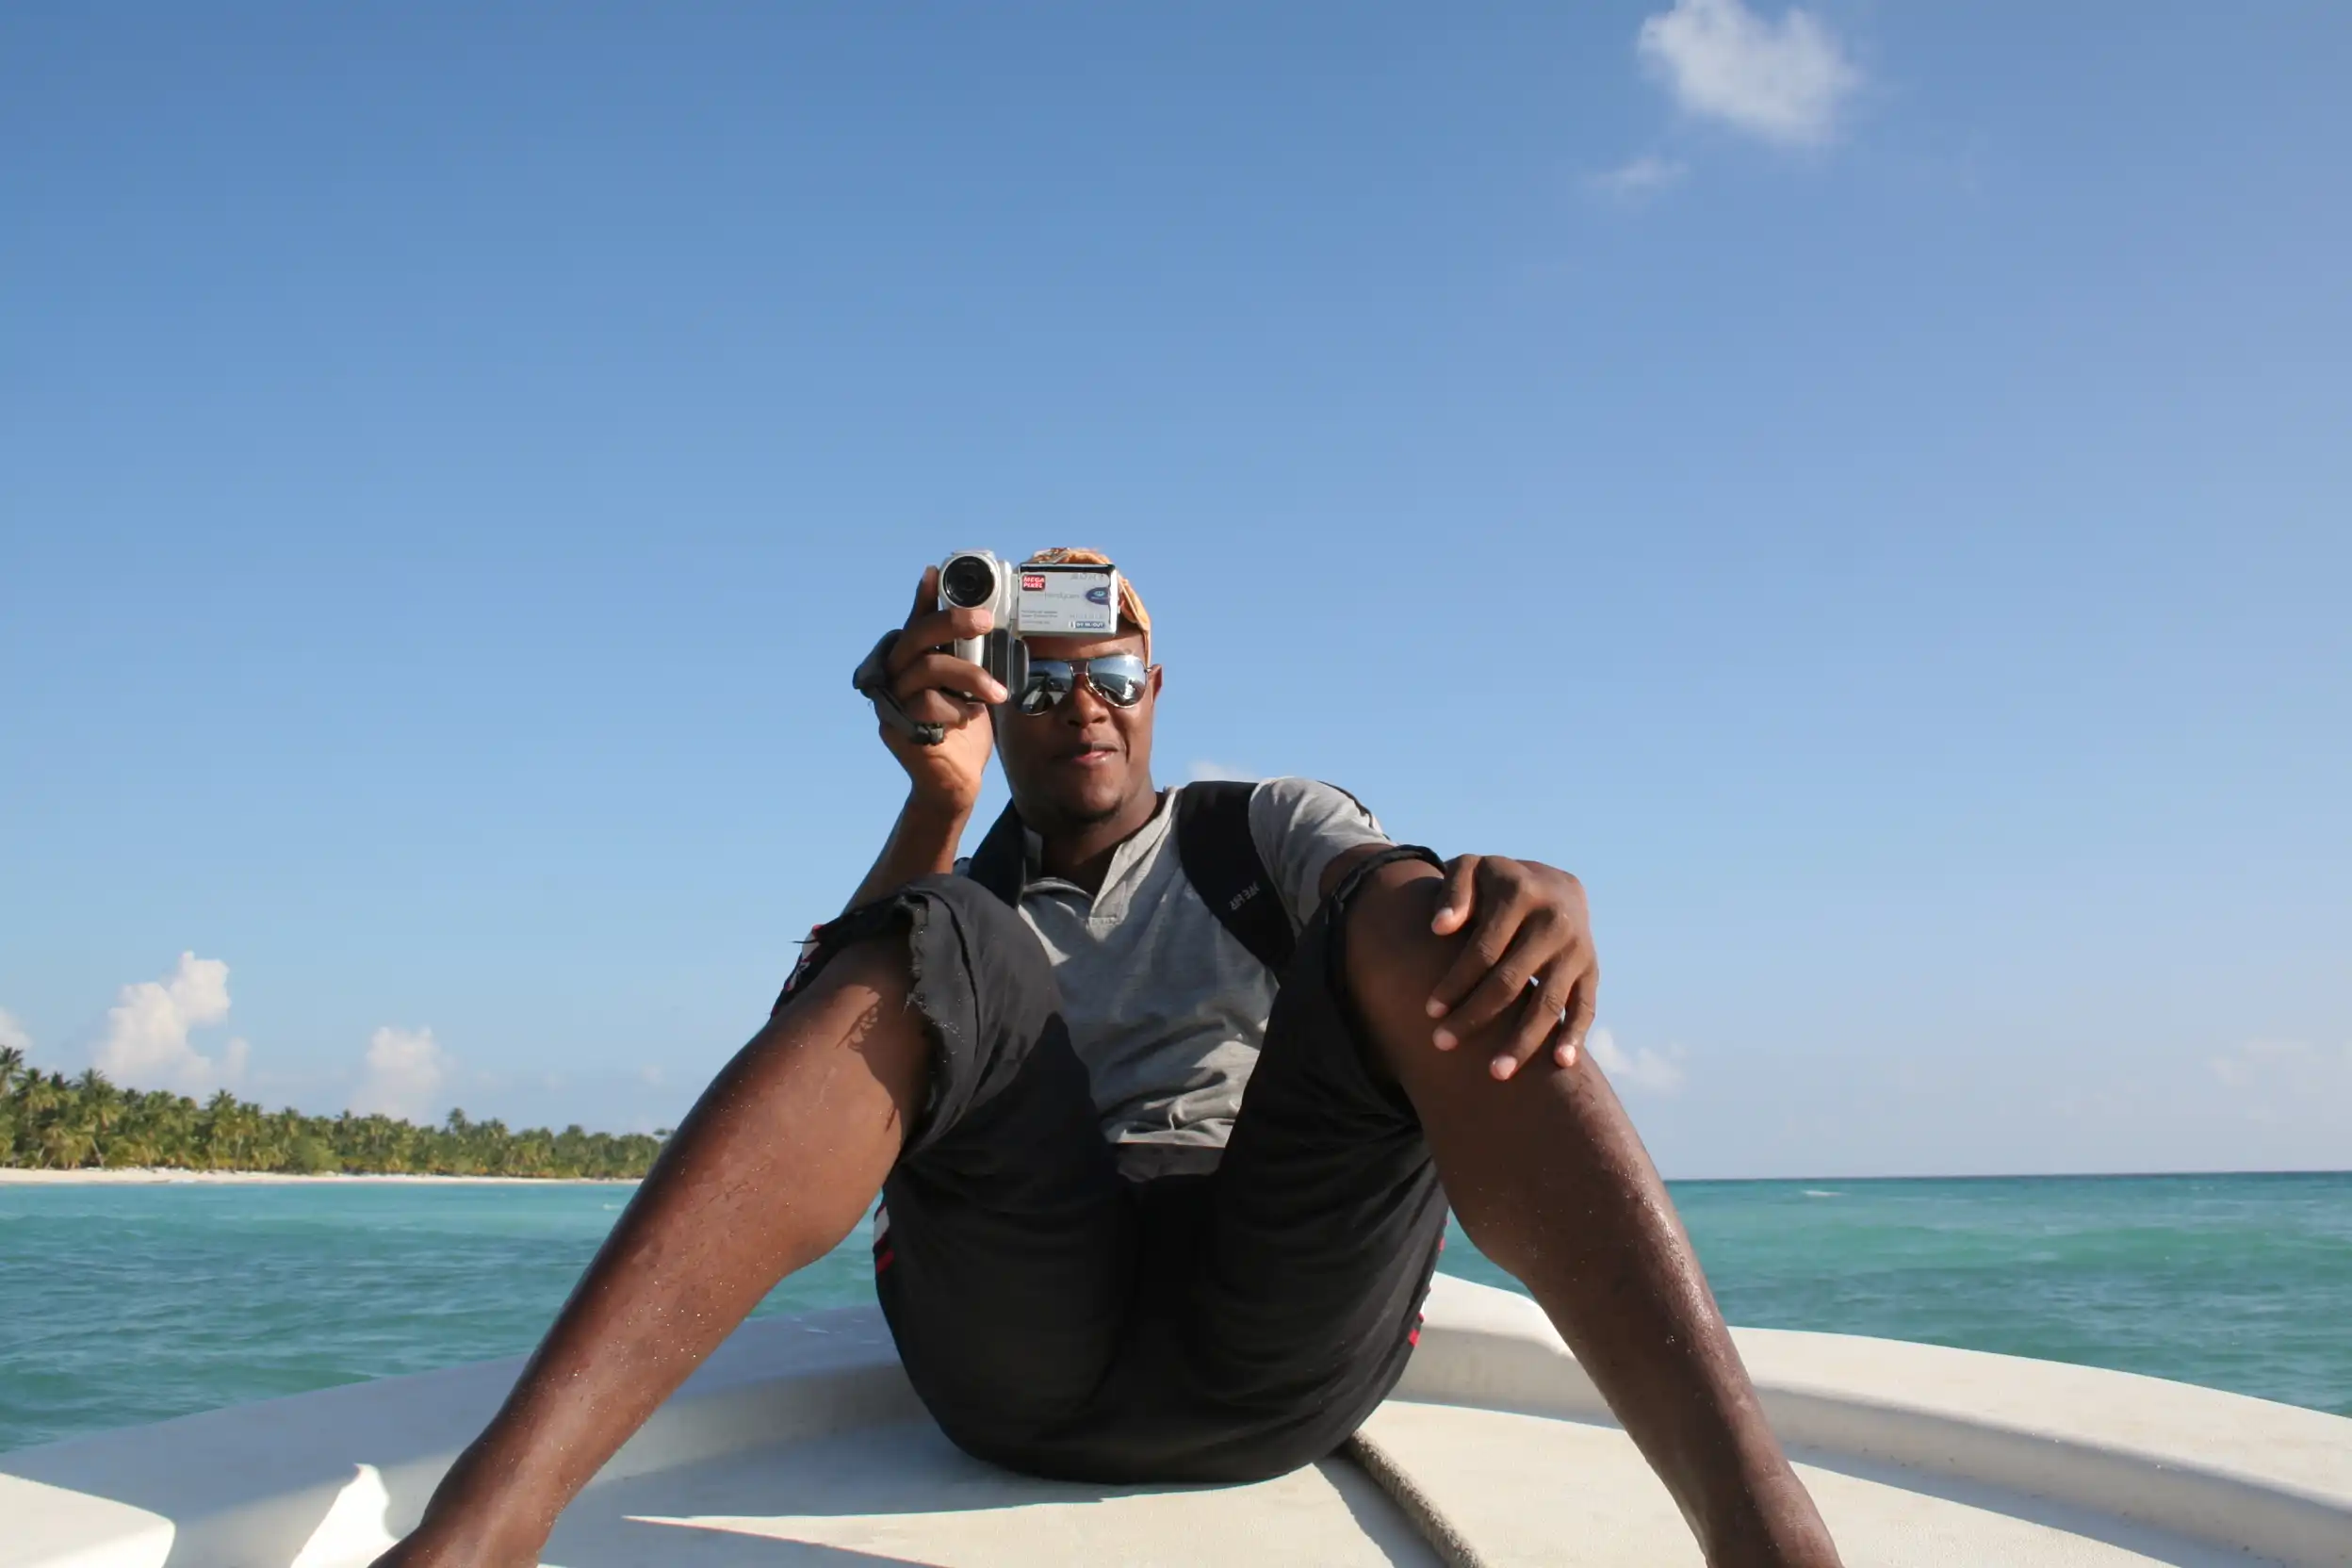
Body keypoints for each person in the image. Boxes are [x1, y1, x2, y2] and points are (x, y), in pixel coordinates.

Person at [376, 550, 1841, 1567]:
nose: (1086, 702)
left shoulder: (1253, 828)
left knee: (1411, 909)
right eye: (1042, 680)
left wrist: (1493, 904)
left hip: (1277, 1324)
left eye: (1116, 674)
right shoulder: (962, 890)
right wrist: (937, 810)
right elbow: (805, 1053)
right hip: (1017, 1342)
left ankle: (1763, 1537)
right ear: (991, 703)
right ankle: (483, 1531)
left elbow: (1388, 907)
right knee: (933, 936)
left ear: (1156, 689)